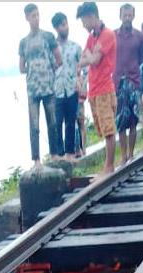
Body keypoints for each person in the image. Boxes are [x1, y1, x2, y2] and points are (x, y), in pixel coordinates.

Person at [18, 3, 63, 168]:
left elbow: (59, 59)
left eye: (37, 15)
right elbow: (21, 67)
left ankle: (55, 154)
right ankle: (36, 159)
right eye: (32, 16)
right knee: (34, 126)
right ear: (27, 18)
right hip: (32, 89)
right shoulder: (23, 42)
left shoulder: (48, 36)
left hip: (49, 87)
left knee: (52, 122)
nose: (36, 18)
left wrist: (50, 69)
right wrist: (32, 71)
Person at [76, 2, 117, 179]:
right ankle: (107, 165)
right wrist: (90, 57)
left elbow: (93, 60)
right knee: (102, 128)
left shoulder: (107, 34)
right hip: (93, 89)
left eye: (84, 21)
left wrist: (90, 57)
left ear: (91, 16)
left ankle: (109, 166)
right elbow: (83, 59)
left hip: (104, 88)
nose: (84, 26)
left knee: (108, 129)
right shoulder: (92, 38)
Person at [112, 4, 143, 166]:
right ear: (120, 16)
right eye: (125, 15)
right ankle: (123, 155)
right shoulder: (113, 35)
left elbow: (141, 59)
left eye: (130, 15)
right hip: (118, 82)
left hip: (133, 82)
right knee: (120, 122)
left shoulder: (139, 36)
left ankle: (131, 154)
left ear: (133, 16)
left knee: (133, 120)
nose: (127, 18)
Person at [51, 12, 83, 161]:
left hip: (72, 89)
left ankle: (70, 154)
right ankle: (60, 154)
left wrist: (80, 82)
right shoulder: (51, 48)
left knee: (71, 122)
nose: (66, 27)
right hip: (56, 91)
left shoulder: (75, 47)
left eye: (66, 23)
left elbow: (83, 68)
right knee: (57, 123)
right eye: (62, 25)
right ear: (56, 28)